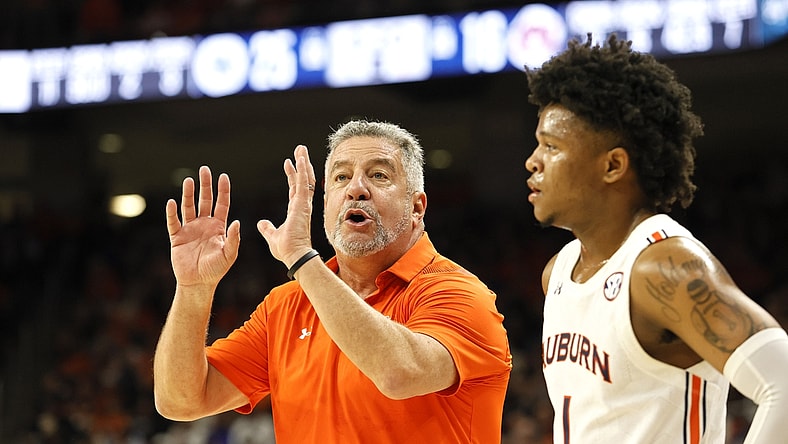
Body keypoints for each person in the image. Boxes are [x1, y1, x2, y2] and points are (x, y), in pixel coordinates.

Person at [153, 119, 512, 443]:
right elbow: (181, 400)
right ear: (326, 204)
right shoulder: (285, 307)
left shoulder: (459, 294)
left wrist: (301, 259)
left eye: (379, 176)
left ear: (416, 207)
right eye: (341, 177)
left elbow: (399, 374)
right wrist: (193, 289)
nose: (356, 189)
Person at [524, 34, 788, 443]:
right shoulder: (557, 273)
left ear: (613, 165)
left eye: (551, 146)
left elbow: (783, 383)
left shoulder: (664, 267)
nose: (533, 161)